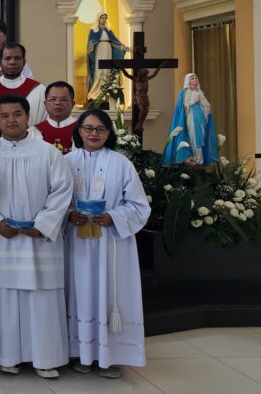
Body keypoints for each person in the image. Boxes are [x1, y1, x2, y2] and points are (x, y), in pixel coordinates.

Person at [0, 95, 72, 379]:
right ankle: (7, 356)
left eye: (17, 114)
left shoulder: (48, 153)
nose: (11, 120)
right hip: (2, 240)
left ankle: (45, 357)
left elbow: (62, 191)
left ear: (28, 116)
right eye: (4, 115)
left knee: (42, 298)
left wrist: (43, 224)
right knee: (4, 298)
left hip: (39, 240)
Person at [65, 109, 150, 379]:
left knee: (110, 293)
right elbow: (54, 200)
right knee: (79, 293)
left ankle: (111, 356)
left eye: (100, 129)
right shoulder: (65, 162)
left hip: (111, 243)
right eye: (88, 128)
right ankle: (80, 353)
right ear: (79, 131)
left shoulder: (121, 164)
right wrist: (69, 215)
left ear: (109, 133)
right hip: (76, 243)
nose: (93, 133)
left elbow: (139, 205)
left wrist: (114, 216)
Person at [0, 43, 47, 125]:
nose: (12, 62)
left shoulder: (40, 90)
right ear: (0, 62)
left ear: (24, 62)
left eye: (17, 58)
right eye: (7, 58)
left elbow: (46, 123)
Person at [162, 73, 220, 165]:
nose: (195, 80)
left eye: (196, 78)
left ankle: (199, 158)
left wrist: (204, 105)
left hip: (201, 119)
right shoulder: (185, 92)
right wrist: (194, 101)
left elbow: (207, 105)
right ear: (188, 81)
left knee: (201, 137)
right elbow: (184, 106)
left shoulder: (200, 92)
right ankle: (196, 158)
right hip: (191, 118)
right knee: (193, 137)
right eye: (192, 78)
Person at [85, 12, 128, 103]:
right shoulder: (93, 30)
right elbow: (91, 42)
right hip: (99, 50)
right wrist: (90, 48)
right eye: (102, 18)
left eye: (105, 18)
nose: (104, 20)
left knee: (108, 69)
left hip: (108, 49)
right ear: (99, 19)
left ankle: (106, 92)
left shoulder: (109, 30)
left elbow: (114, 42)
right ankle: (96, 92)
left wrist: (122, 47)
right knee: (99, 69)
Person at [36, 82, 79, 154]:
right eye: (53, 99)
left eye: (63, 99)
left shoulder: (83, 130)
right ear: (45, 104)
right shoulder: (34, 132)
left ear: (73, 104)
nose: (58, 103)